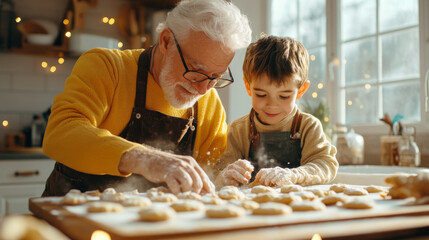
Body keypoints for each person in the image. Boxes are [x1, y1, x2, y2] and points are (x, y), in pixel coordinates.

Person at [41, 0, 252, 196]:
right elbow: (60, 133)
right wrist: (145, 159)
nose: (202, 89)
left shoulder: (209, 103)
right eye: (196, 71)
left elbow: (211, 175)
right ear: (166, 41)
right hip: (71, 220)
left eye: (215, 77)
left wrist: (225, 176)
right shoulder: (107, 67)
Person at [215, 34, 338, 187]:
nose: (272, 105)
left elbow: (325, 164)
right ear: (248, 87)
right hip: (254, 207)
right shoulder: (238, 130)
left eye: (284, 96)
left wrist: (295, 174)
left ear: (301, 90)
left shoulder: (308, 126)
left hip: (299, 206)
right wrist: (225, 176)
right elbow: (218, 174)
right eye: (261, 94)